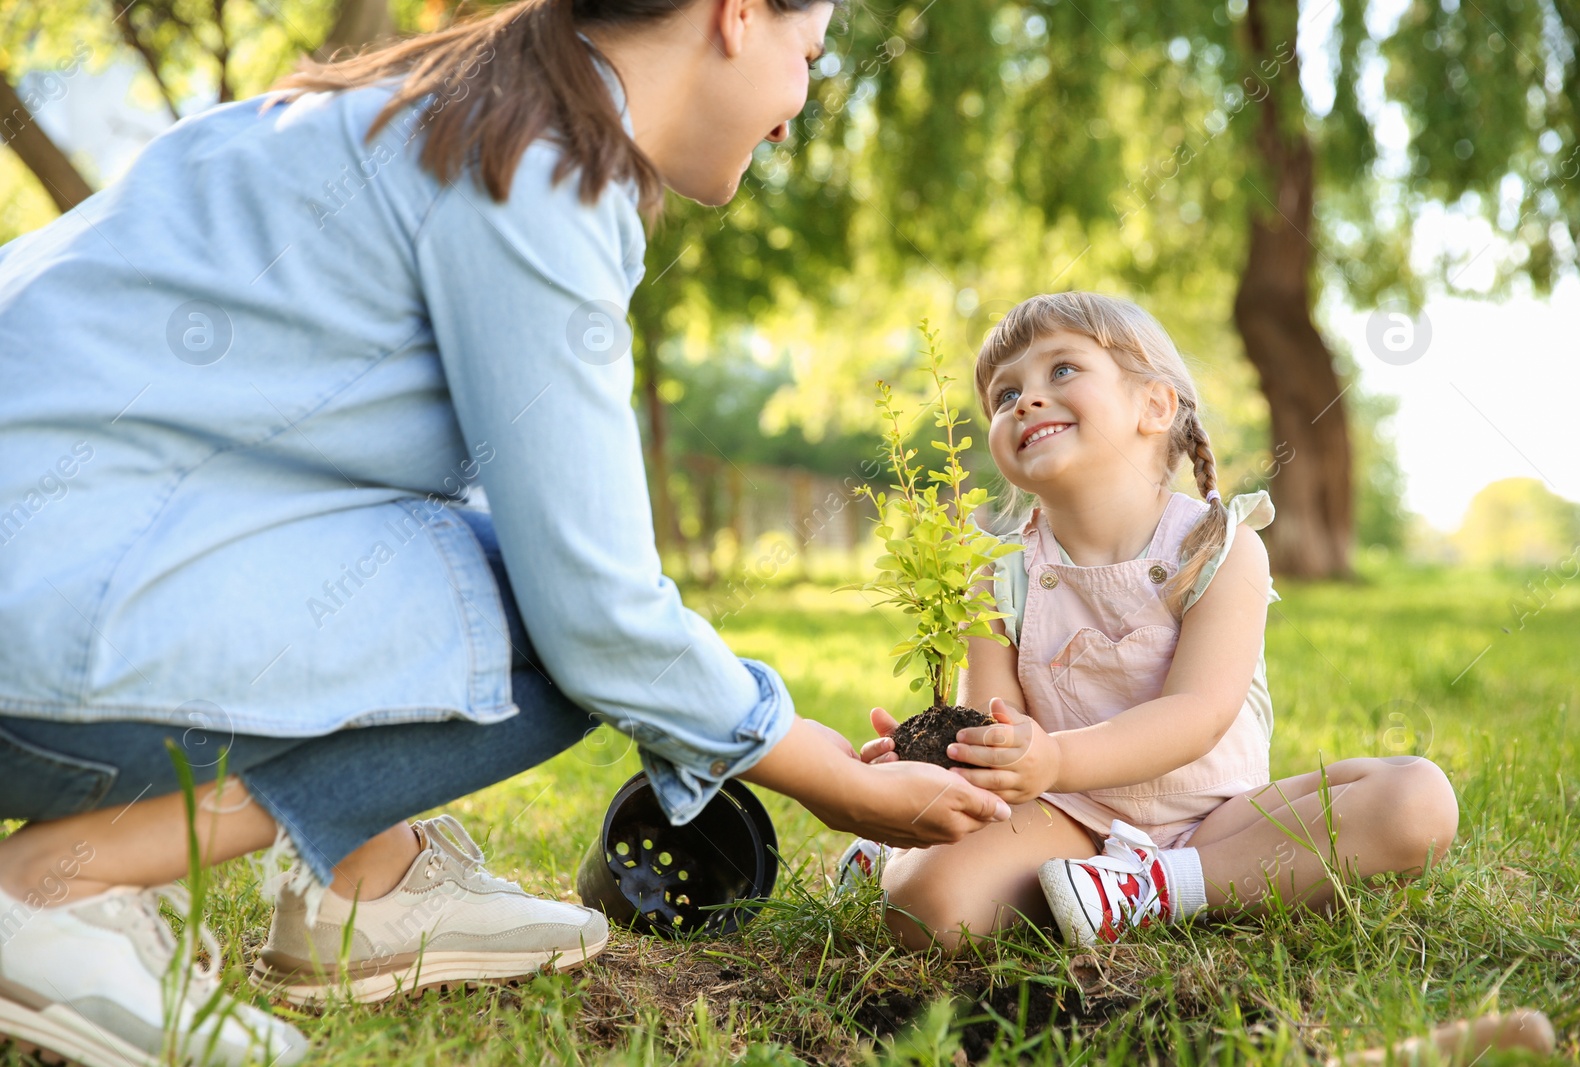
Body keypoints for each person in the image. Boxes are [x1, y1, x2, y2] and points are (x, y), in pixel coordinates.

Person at [0, 1, 1011, 1063]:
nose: (794, 116)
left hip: (54, 579)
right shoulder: (537, 169)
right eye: (807, 56)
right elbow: (597, 613)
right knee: (546, 612)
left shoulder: (410, 109)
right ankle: (53, 893)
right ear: (738, 15)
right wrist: (834, 776)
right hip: (37, 631)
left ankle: (366, 881)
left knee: (502, 534)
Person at [843, 292, 1458, 950]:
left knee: (1416, 799)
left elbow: (1198, 711)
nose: (1024, 400)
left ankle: (1157, 885)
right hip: (1066, 815)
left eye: (1062, 370)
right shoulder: (999, 574)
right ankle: (912, 850)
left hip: (1219, 818)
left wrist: (1056, 757)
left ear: (1155, 406)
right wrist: (939, 762)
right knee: (926, 908)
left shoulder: (1219, 546)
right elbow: (996, 725)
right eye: (1003, 394)